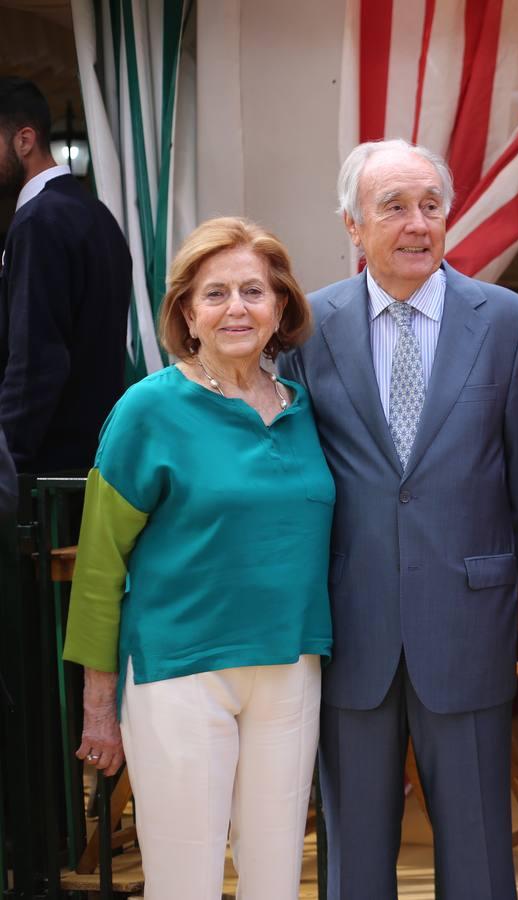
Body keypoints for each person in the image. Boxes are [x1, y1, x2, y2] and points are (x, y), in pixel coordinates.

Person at [279, 139, 518, 899]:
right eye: (394, 206)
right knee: (354, 859)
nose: (416, 223)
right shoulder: (307, 328)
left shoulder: (509, 323)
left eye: (431, 205)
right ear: (352, 225)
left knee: (478, 858)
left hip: (465, 621)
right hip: (351, 624)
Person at [62, 217, 332, 899]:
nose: (236, 308)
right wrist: (99, 702)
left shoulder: (306, 411)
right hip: (180, 672)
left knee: (275, 875)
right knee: (185, 880)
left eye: (253, 291)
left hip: (290, 667)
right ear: (186, 312)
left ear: (280, 307)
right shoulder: (147, 409)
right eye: (215, 294)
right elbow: (99, 566)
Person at [0, 77, 131, 472]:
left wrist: (8, 464)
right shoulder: (95, 214)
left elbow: (35, 360)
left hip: (46, 475)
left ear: (24, 140)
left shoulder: (39, 220)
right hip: (91, 460)